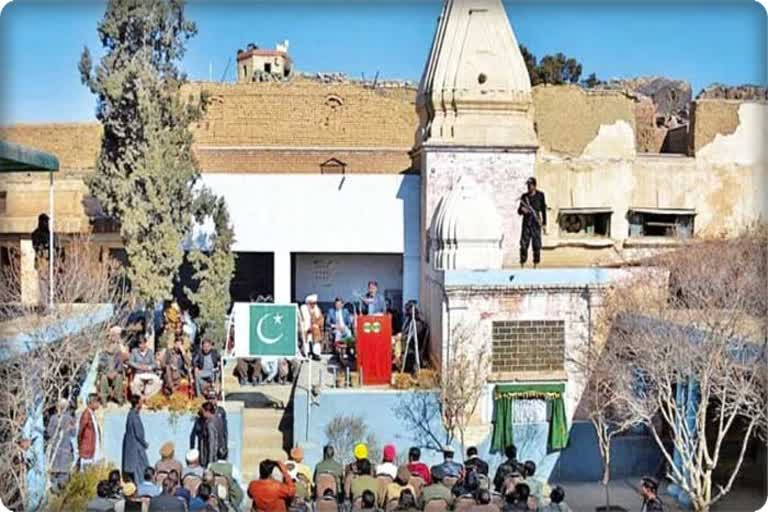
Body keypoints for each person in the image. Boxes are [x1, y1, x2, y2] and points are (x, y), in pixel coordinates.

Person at [518, 176, 547, 268]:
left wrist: (544, 223)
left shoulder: (540, 195)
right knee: (523, 244)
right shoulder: (524, 196)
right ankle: (522, 263)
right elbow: (519, 211)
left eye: (530, 185)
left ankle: (536, 264)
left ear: (535, 186)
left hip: (536, 222)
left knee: (536, 244)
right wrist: (523, 210)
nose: (529, 187)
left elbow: (543, 210)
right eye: (528, 185)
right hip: (526, 223)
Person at [47, 399, 76, 490]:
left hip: (55, 451)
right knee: (63, 479)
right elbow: (73, 433)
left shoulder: (53, 418)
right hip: (65, 451)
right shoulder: (70, 419)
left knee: (54, 477)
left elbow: (49, 433)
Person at [122, 395, 150, 484]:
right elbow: (138, 433)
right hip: (136, 448)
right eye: (141, 402)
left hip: (133, 447)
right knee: (140, 470)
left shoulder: (131, 414)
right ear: (137, 404)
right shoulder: (134, 416)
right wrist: (144, 443)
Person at [78, 394, 102, 469]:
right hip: (87, 449)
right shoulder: (86, 415)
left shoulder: (92, 414)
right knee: (86, 470)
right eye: (97, 402)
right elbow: (81, 431)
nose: (99, 404)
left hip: (93, 448)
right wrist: (81, 446)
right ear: (92, 403)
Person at [99, 341, 126, 406]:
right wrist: (107, 374)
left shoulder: (118, 355)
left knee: (119, 377)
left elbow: (120, 366)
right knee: (103, 378)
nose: (111, 347)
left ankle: (119, 399)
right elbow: (101, 367)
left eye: (113, 345)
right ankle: (104, 400)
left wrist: (115, 373)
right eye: (109, 345)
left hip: (115, 374)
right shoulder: (103, 355)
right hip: (106, 374)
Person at [299, 294, 324, 361]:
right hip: (305, 328)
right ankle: (306, 353)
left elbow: (321, 319)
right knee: (306, 339)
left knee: (316, 339)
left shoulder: (317, 309)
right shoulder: (303, 309)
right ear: (308, 303)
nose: (313, 305)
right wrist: (306, 327)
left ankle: (316, 354)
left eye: (314, 303)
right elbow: (301, 320)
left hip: (315, 328)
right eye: (311, 303)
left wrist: (315, 325)